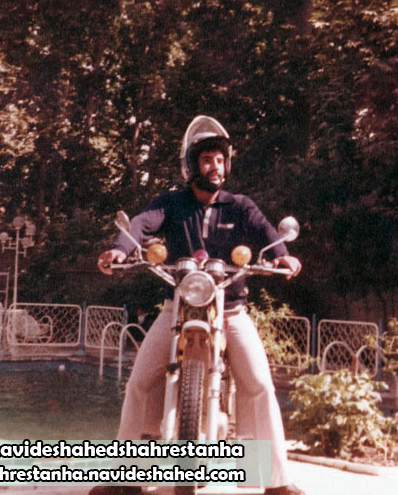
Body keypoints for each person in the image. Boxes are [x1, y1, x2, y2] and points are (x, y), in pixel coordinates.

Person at [95, 116, 304, 495]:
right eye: (207, 160)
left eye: (220, 160)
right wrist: (120, 249)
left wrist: (282, 254)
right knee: (140, 382)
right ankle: (126, 477)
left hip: (230, 309)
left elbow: (265, 231)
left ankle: (275, 482)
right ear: (193, 165)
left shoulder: (239, 206)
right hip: (176, 306)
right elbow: (142, 223)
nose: (215, 167)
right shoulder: (172, 204)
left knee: (260, 384)